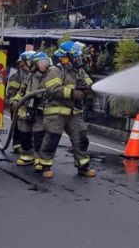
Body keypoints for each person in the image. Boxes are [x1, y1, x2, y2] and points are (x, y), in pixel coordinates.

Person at [38, 41, 96, 179]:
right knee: (52, 139)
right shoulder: (55, 71)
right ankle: (45, 166)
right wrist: (73, 93)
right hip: (56, 112)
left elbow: (89, 84)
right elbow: (53, 89)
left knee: (81, 139)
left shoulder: (79, 71)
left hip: (74, 113)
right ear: (65, 58)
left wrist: (90, 89)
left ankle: (83, 167)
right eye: (75, 57)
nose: (78, 60)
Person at [10, 51, 47, 171]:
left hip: (39, 111)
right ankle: (27, 156)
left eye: (22, 63)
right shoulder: (27, 76)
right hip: (25, 109)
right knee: (24, 133)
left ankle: (39, 159)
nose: (21, 65)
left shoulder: (47, 76)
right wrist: (15, 101)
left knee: (38, 135)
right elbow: (20, 91)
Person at [6, 51, 35, 153]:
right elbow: (11, 93)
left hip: (30, 107)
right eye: (20, 64)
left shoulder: (34, 75)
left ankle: (28, 144)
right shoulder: (16, 76)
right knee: (19, 128)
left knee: (29, 127)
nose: (21, 66)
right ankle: (17, 144)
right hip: (18, 107)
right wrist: (14, 103)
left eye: (23, 63)